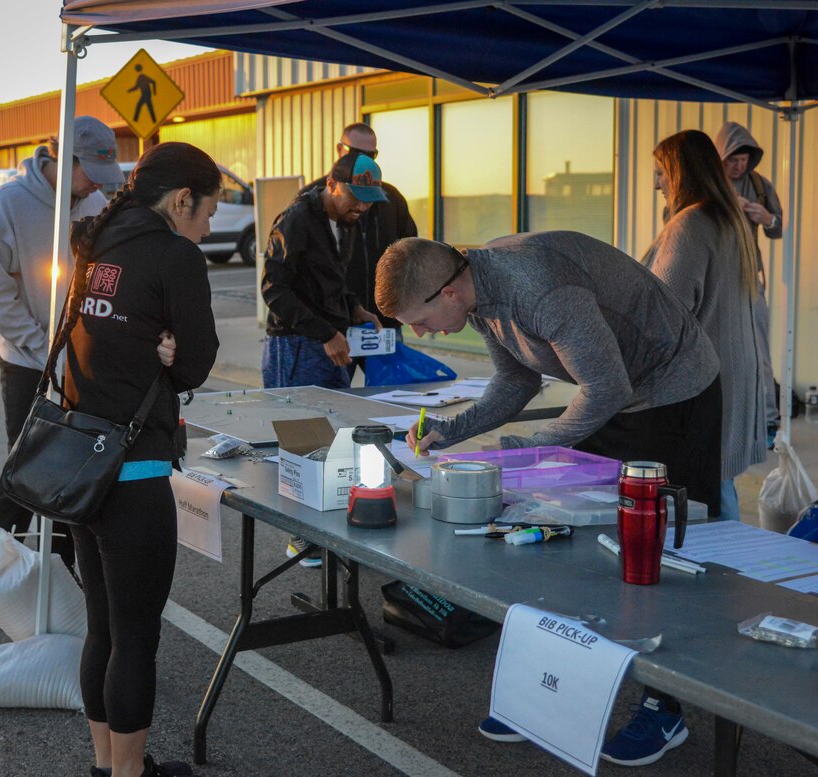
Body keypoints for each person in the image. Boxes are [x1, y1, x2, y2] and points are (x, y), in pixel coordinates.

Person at [378, 231, 723, 766]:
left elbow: (603, 388)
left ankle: (665, 708)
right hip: (617, 391)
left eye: (417, 321)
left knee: (652, 557)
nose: (420, 333)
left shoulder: (537, 290)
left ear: (446, 292)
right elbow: (516, 379)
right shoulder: (479, 294)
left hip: (671, 391)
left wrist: (532, 448)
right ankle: (551, 693)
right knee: (570, 546)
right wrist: (456, 429)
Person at [67, 141, 220, 777]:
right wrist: (168, 352)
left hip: (81, 463)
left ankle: (108, 766)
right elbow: (193, 364)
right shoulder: (174, 254)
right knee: (136, 638)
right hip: (134, 467)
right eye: (208, 211)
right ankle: (129, 775)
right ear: (181, 200)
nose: (209, 226)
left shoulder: (95, 241)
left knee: (102, 627)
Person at [0, 116, 125, 621]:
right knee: (25, 469)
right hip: (26, 362)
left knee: (77, 466)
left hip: (80, 359)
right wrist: (39, 349)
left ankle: (61, 577)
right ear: (60, 159)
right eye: (89, 173)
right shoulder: (7, 203)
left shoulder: (94, 203)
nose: (94, 187)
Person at [261, 150, 386, 565]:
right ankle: (300, 538)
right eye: (355, 197)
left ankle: (328, 532)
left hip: (332, 343)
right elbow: (275, 291)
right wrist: (325, 332)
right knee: (302, 446)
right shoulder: (295, 220)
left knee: (335, 443)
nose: (362, 207)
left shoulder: (345, 223)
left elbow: (329, 281)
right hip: (296, 346)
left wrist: (355, 309)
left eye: (369, 200)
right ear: (331, 184)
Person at [646, 129, 765, 522]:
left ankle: (724, 572)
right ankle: (730, 567)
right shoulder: (729, 219)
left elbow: (666, 309)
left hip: (706, 378)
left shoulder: (690, 225)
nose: (656, 183)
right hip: (735, 370)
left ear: (680, 172)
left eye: (661, 172)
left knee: (708, 486)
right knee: (721, 480)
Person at [300, 123, 418, 378]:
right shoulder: (312, 199)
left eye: (371, 155)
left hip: (383, 324)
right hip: (336, 327)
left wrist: (405, 310)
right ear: (339, 149)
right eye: (354, 152)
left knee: (389, 402)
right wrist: (324, 326)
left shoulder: (390, 198)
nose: (362, 160)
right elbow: (295, 274)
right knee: (335, 403)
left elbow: (410, 254)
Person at [715, 121, 784, 448]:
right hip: (714, 279)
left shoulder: (759, 184)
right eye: (732, 159)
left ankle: (769, 421)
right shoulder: (708, 186)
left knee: (759, 349)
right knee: (717, 349)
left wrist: (765, 217)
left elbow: (779, 226)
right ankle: (724, 418)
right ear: (720, 157)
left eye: (743, 159)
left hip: (748, 276)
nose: (738, 165)